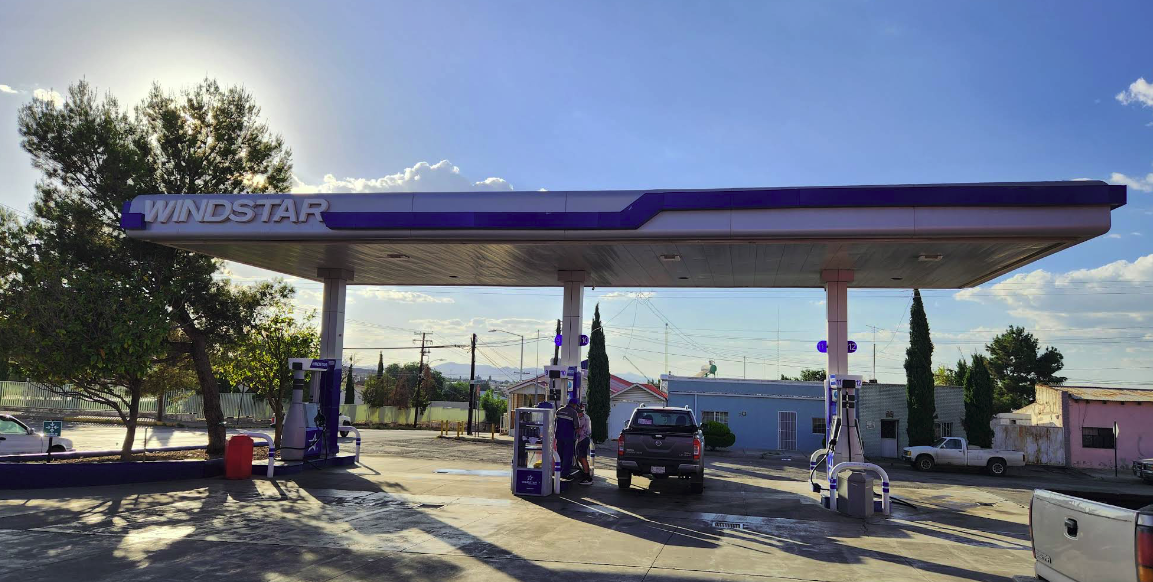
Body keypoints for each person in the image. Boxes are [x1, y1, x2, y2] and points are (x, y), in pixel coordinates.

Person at [554, 397, 580, 480]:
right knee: (568, 456)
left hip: (559, 436)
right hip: (569, 437)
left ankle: (558, 472)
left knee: (559, 455)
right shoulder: (573, 412)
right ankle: (565, 474)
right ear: (574, 405)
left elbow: (554, 422)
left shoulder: (559, 410)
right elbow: (576, 426)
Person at [575, 402, 593, 484]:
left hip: (583, 439)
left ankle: (587, 477)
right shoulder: (586, 417)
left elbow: (578, 429)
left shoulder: (582, 419)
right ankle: (586, 473)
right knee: (580, 457)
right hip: (584, 439)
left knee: (582, 457)